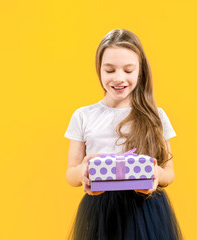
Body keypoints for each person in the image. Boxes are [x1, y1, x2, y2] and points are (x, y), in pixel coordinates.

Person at [64, 29, 184, 240]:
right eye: (110, 70)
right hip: (101, 212)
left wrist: (155, 174)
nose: (119, 78)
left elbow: (169, 173)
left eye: (128, 70)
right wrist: (82, 170)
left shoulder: (156, 116)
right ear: (99, 70)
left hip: (146, 211)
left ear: (140, 72)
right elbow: (70, 174)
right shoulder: (83, 116)